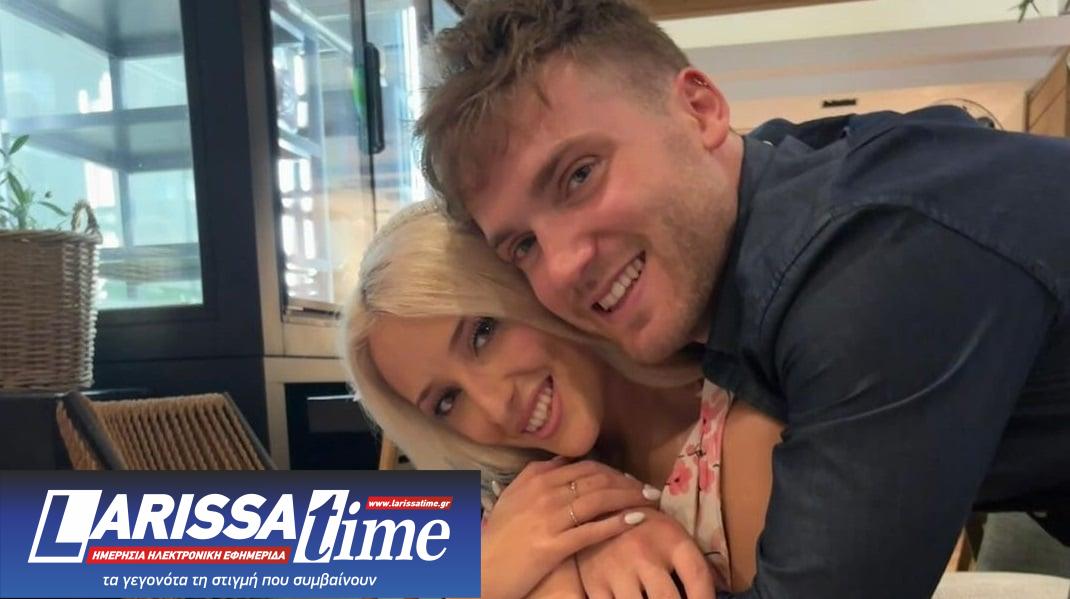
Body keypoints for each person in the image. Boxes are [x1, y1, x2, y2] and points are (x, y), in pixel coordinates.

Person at [413, 0, 1070, 597]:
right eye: (523, 245)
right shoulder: (758, 213)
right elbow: (347, 548)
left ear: (701, 109)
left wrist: (520, 575)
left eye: (579, 175)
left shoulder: (856, 276)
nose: (562, 267)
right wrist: (529, 551)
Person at [342, 202, 785, 598]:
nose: (495, 405)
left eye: (483, 333)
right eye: (446, 401)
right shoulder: (512, 502)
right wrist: (493, 576)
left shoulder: (749, 434)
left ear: (528, 277)